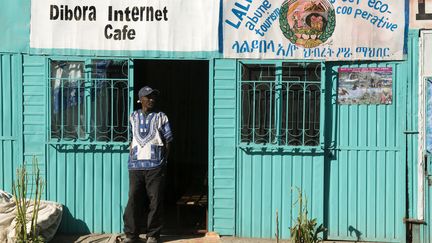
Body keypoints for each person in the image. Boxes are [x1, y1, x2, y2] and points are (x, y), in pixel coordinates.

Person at [123, 86, 173, 243]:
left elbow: (168, 140)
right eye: (148, 97)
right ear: (141, 99)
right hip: (135, 166)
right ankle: (131, 234)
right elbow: (132, 139)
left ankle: (153, 235)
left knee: (155, 200)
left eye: (153, 97)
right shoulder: (133, 116)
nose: (152, 99)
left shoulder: (161, 116)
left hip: (155, 165)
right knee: (133, 199)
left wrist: (164, 161)